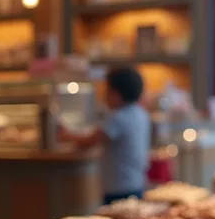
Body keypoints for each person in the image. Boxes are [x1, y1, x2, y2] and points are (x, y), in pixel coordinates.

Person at [59, 67, 150, 204]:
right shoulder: (140, 113)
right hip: (135, 181)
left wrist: (64, 134)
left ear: (115, 94)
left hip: (119, 187)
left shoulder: (118, 118)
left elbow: (89, 141)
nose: (103, 95)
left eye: (106, 91)